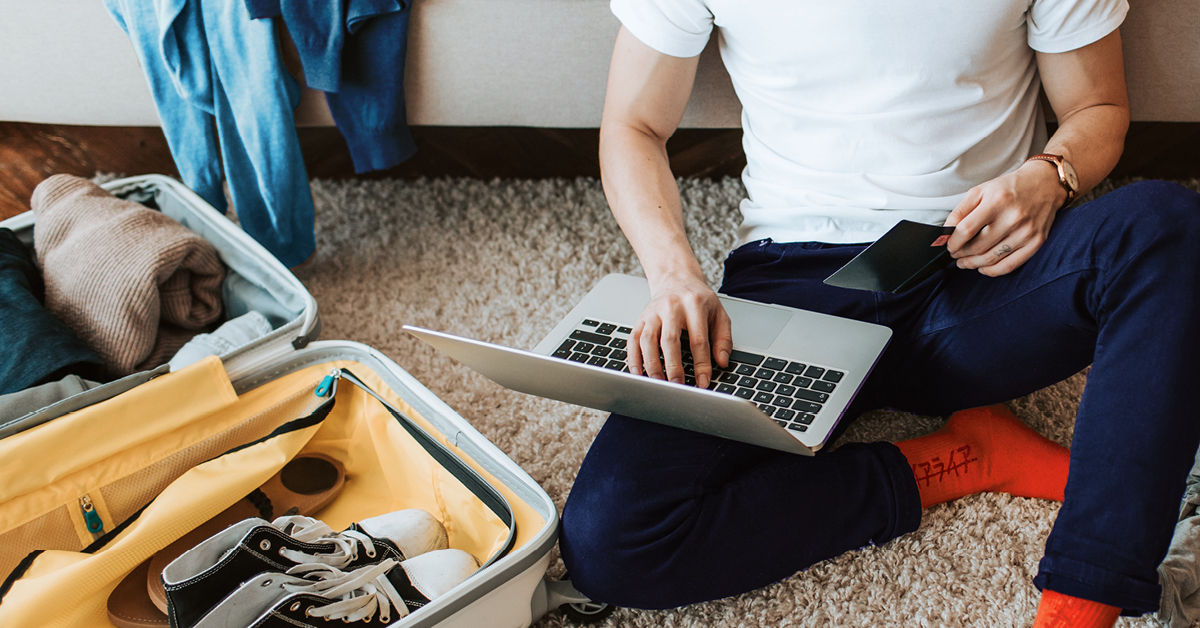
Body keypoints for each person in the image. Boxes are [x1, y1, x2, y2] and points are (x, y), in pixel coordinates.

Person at [557, 0, 1200, 626]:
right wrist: (673, 276)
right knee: (612, 541)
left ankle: (1079, 607)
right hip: (795, 282)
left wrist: (1046, 177)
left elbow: (1098, 107)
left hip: (979, 267)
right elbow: (633, 126)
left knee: (1166, 225)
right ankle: (964, 458)